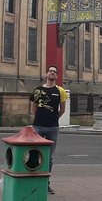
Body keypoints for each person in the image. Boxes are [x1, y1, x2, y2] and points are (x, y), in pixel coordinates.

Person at [30, 65, 67, 195]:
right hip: (38, 126)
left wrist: (53, 118)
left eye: (55, 72)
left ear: (57, 76)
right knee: (34, 154)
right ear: (46, 74)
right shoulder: (38, 90)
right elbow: (33, 107)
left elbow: (62, 109)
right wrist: (39, 118)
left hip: (52, 127)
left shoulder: (60, 91)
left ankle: (46, 183)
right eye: (50, 71)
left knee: (49, 157)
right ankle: (31, 181)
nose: (52, 73)